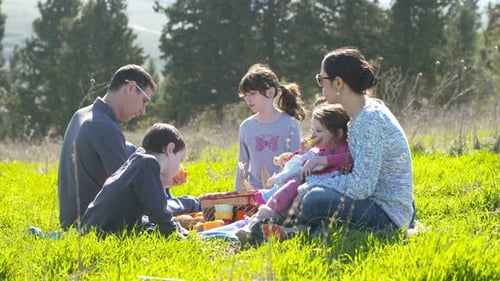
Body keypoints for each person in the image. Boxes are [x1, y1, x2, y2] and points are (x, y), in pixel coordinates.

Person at [299, 47, 414, 231]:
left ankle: (309, 228)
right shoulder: (362, 113)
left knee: (313, 201)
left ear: (338, 83)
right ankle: (316, 229)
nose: (320, 85)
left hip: (387, 214)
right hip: (381, 203)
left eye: (322, 79)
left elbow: (361, 186)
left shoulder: (369, 119)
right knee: (314, 197)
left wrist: (313, 182)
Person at [58, 64, 157, 230]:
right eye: (144, 101)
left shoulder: (82, 115)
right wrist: (160, 179)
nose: (143, 110)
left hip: (69, 219)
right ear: (131, 88)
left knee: (131, 149)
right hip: (91, 224)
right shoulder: (104, 126)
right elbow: (128, 191)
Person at [236, 103, 353, 243]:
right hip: (302, 190)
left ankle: (266, 224)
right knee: (289, 186)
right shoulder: (320, 149)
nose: (313, 135)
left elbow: (346, 159)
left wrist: (321, 161)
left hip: (321, 192)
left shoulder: (341, 149)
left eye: (319, 131)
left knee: (293, 186)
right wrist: (299, 154)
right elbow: (303, 161)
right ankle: (258, 223)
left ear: (338, 134)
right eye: (312, 130)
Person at [81, 123, 189, 238]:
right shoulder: (148, 163)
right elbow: (159, 213)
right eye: (180, 160)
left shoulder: (139, 161)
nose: (179, 166)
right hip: (103, 232)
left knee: (147, 226)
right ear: (170, 149)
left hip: (94, 225)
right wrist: (177, 235)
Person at [235, 63, 307, 191]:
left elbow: (296, 163)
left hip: (284, 190)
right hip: (255, 192)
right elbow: (242, 165)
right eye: (245, 95)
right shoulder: (246, 127)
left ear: (270, 92)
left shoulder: (291, 124)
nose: (248, 99)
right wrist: (236, 195)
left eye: (252, 93)